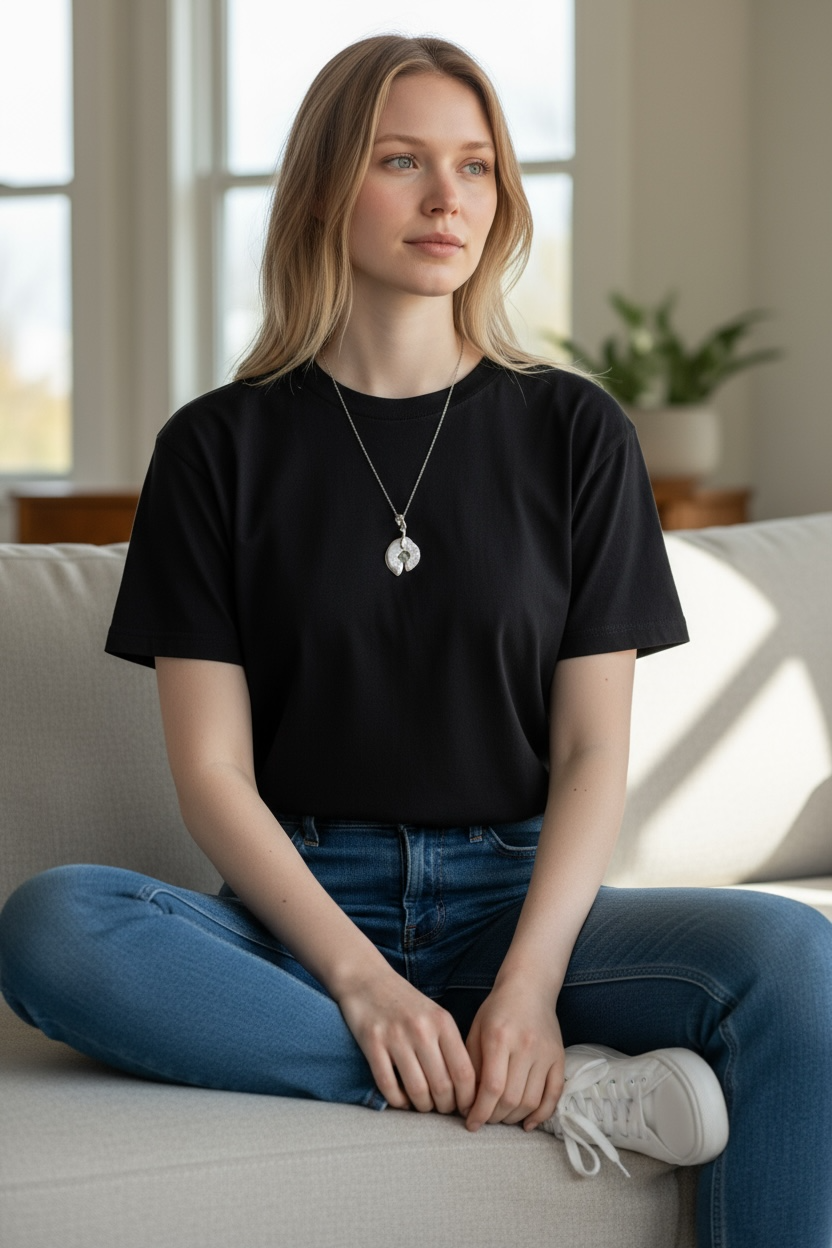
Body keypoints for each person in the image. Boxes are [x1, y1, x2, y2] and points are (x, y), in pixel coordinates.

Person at [1, 33, 831, 1247]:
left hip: (521, 894)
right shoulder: (215, 450)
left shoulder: (573, 431)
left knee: (792, 959)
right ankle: (566, 1102)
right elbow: (213, 776)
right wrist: (365, 985)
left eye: (478, 165)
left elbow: (594, 754)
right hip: (298, 911)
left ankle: (503, 1051)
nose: (450, 199)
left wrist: (532, 987)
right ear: (327, 185)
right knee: (51, 927)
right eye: (403, 161)